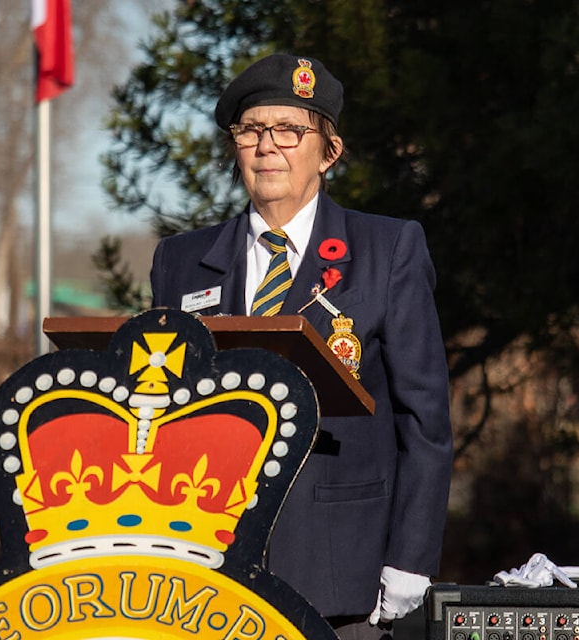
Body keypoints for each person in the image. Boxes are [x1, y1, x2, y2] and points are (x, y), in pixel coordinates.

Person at [149, 54, 453, 640]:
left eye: (289, 130)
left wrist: (411, 558)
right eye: (251, 131)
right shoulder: (181, 262)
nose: (268, 148)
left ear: (328, 152)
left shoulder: (386, 250)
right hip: (208, 576)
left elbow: (426, 421)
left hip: (342, 572)